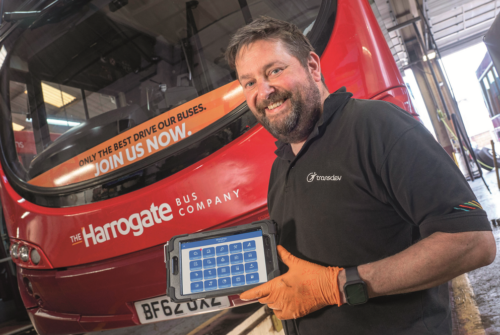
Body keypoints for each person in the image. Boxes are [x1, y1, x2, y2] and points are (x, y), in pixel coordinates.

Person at [224, 16, 496, 335]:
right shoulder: (280, 168)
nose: (264, 90)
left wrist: (338, 285)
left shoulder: (378, 127)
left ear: (312, 66)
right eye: (249, 82)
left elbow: (473, 241)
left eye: (274, 70)